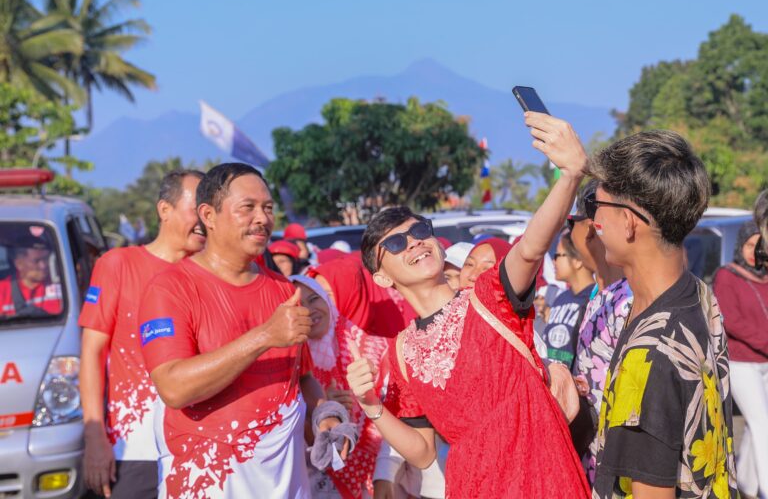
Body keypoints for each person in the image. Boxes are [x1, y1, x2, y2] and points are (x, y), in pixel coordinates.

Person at [346, 112, 591, 498]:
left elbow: (529, 248)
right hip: (474, 485)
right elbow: (424, 453)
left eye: (419, 231)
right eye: (395, 244)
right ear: (382, 277)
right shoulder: (402, 353)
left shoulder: (488, 297)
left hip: (542, 475)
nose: (413, 243)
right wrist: (370, 404)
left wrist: (570, 176)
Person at [137, 163, 343, 498]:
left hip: (286, 484)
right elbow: (173, 387)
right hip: (210, 482)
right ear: (209, 215)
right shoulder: (169, 289)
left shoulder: (282, 290)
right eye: (247, 208)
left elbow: (301, 378)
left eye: (268, 208)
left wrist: (325, 418)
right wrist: (264, 337)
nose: (262, 218)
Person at [588, 130, 737, 498]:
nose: (594, 223)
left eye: (596, 207)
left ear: (629, 222)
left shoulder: (649, 357)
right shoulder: (697, 296)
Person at [78, 170, 205, 498]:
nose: (205, 219)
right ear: (165, 210)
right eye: (196, 208)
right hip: (135, 448)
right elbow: (91, 353)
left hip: (201, 448)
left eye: (210, 209)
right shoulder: (117, 264)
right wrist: (94, 438)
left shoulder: (209, 274)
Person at [291, 274, 389, 498]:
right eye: (298, 305)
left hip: (378, 475)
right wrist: (322, 406)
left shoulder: (371, 348)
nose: (308, 310)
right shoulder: (287, 364)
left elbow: (396, 411)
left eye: (314, 299)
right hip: (314, 482)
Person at [568, 180, 633, 485]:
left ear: (593, 228)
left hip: (620, 465)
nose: (570, 234)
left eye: (573, 224)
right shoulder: (601, 292)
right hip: (591, 459)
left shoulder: (628, 298)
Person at [713, 221, 768, 498]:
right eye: (749, 245)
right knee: (763, 423)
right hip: (741, 361)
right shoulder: (727, 275)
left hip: (766, 361)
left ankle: (747, 486)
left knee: (756, 425)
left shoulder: (765, 275)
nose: (754, 252)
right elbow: (731, 320)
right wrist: (763, 340)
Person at [542, 230, 595, 368]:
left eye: (558, 255)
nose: (553, 261)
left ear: (578, 260)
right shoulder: (561, 298)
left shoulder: (594, 299)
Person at [0, 235, 62, 317]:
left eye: (46, 259)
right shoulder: (2, 291)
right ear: (19, 263)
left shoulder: (60, 283)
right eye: (36, 261)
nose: (43, 265)